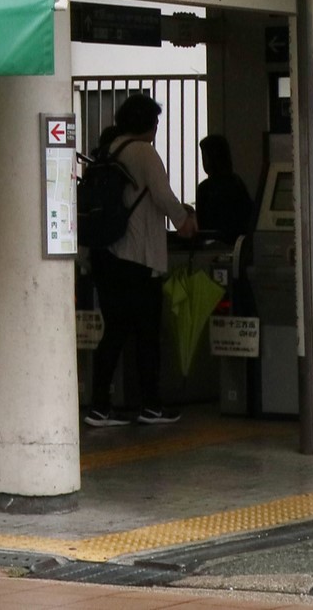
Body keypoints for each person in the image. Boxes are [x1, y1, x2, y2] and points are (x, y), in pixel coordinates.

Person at [87, 94, 197, 428]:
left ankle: (99, 406)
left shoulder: (107, 150)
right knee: (147, 332)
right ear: (149, 123)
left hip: (105, 254)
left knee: (115, 330)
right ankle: (150, 405)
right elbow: (162, 195)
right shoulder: (144, 152)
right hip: (137, 257)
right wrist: (184, 223)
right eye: (156, 122)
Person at [194, 135, 255, 248]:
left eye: (204, 157)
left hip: (211, 249)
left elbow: (203, 228)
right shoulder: (237, 183)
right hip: (239, 248)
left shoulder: (205, 189)